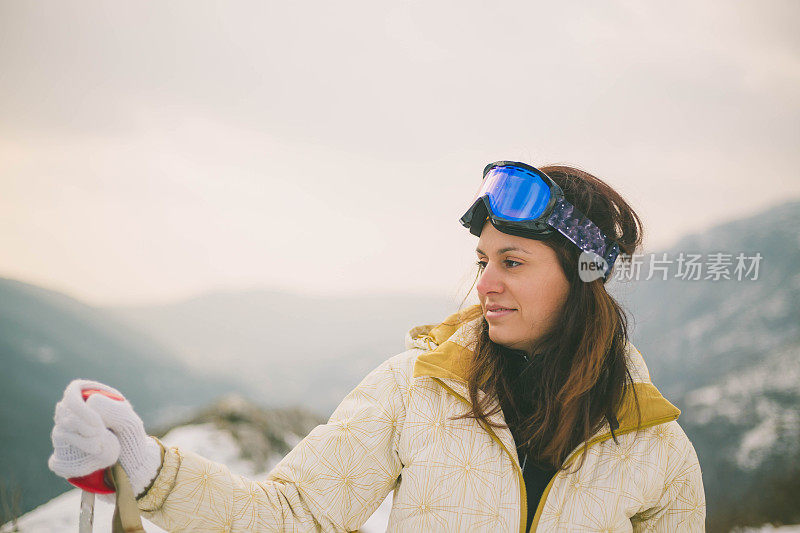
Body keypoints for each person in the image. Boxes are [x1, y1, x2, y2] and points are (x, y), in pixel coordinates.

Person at [49, 161, 706, 532]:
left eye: (513, 261)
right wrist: (147, 467)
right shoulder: (414, 390)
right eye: (481, 259)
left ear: (583, 274)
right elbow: (291, 515)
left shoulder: (655, 452)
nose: (485, 283)